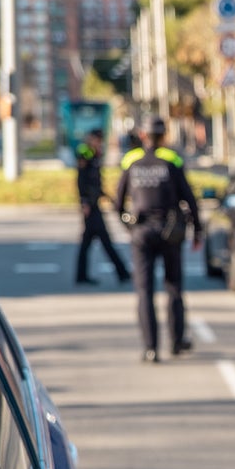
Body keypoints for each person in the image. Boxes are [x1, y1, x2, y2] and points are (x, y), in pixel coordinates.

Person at [114, 116, 202, 364]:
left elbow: (117, 203)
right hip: (170, 232)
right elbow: (189, 198)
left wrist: (129, 227)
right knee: (173, 288)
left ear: (144, 135)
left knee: (144, 292)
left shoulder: (131, 160)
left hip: (141, 233)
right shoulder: (172, 160)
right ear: (163, 135)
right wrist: (198, 229)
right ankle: (176, 341)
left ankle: (150, 348)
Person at [74, 129, 131, 286]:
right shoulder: (85, 153)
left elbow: (96, 181)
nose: (99, 143)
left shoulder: (95, 154)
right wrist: (84, 201)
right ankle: (122, 272)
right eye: (97, 140)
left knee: (88, 242)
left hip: (94, 203)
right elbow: (82, 180)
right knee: (104, 241)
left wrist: (107, 197)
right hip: (90, 206)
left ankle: (81, 275)